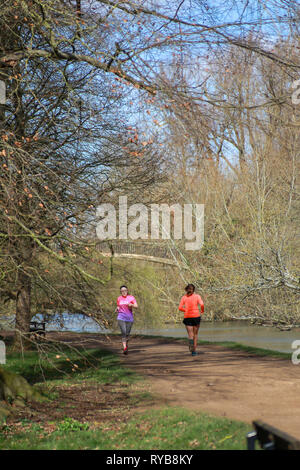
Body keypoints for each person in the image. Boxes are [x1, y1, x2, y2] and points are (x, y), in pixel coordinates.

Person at [178, 283, 204, 356]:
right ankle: (194, 351)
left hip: (187, 317)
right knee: (195, 334)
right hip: (196, 316)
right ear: (193, 290)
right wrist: (202, 310)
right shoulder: (197, 296)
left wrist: (185, 310)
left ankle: (191, 345)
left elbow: (180, 308)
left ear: (186, 289)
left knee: (190, 335)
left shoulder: (184, 297)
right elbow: (202, 304)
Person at [115, 285, 138, 355]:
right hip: (121, 317)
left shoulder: (131, 297)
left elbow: (136, 306)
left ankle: (126, 345)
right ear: (120, 292)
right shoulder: (119, 298)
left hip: (129, 318)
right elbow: (118, 306)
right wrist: (117, 308)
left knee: (127, 334)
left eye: (125, 290)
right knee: (124, 332)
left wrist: (132, 305)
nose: (124, 292)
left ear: (127, 291)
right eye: (122, 291)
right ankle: (124, 347)